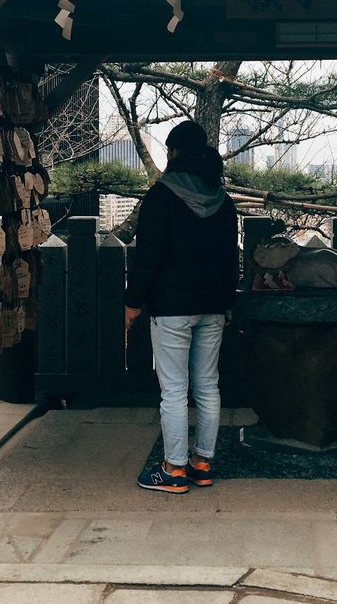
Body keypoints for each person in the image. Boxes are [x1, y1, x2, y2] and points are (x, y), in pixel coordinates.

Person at [125, 120, 238, 494]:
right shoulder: (222, 200)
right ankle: (202, 464)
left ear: (173, 153)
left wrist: (133, 301)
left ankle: (173, 470)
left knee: (173, 390)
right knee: (207, 386)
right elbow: (228, 260)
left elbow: (148, 256)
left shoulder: (161, 196)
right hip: (212, 304)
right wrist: (228, 301)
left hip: (172, 304)